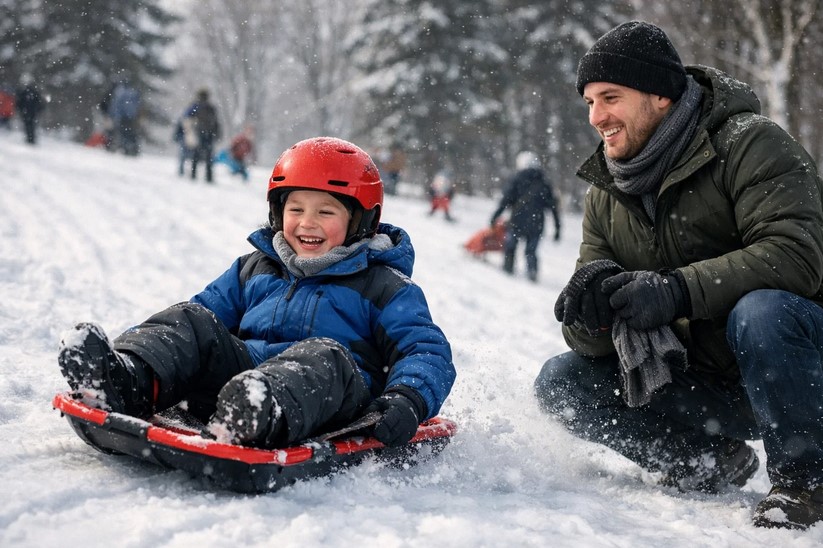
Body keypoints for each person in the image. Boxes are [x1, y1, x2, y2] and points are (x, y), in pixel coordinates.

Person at [533, 21, 823, 530]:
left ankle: (807, 484)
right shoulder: (606, 190)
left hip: (797, 365)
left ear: (661, 96)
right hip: (707, 383)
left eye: (610, 97)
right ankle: (707, 461)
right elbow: (588, 338)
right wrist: (594, 316)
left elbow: (795, 256)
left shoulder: (752, 143)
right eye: (589, 102)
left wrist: (675, 291)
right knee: (562, 381)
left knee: (763, 311)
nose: (597, 117)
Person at [57, 136, 456, 451]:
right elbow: (197, 319)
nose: (307, 223)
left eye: (326, 211)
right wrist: (153, 355)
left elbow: (426, 350)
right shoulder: (254, 268)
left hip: (331, 395)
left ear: (360, 221)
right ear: (277, 213)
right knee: (193, 320)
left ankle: (256, 414)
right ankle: (125, 378)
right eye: (295, 209)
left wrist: (408, 398)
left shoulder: (384, 286)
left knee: (323, 354)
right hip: (242, 379)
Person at [489, 151, 561, 281]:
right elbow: (553, 208)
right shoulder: (544, 183)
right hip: (537, 223)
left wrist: (495, 216)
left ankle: (508, 268)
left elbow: (505, 200)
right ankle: (532, 272)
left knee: (510, 246)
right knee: (531, 251)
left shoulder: (516, 179)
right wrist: (557, 228)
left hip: (517, 221)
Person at [184, 88, 221, 183]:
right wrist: (217, 133)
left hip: (199, 132)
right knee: (209, 156)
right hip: (210, 134)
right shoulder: (211, 107)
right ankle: (209, 176)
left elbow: (187, 116)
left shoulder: (196, 106)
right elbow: (216, 122)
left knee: (196, 154)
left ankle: (193, 174)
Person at [109, 80, 141, 156]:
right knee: (131, 133)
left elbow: (116, 105)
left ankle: (125, 148)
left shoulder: (120, 93)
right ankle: (132, 148)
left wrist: (113, 115)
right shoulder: (133, 93)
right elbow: (138, 104)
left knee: (123, 132)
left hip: (123, 116)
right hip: (131, 116)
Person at [15, 74, 43, 145]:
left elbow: (19, 102)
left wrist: (20, 109)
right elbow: (39, 102)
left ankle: (30, 138)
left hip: (28, 111)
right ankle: (30, 138)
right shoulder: (32, 91)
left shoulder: (24, 92)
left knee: (29, 125)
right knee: (31, 125)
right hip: (31, 112)